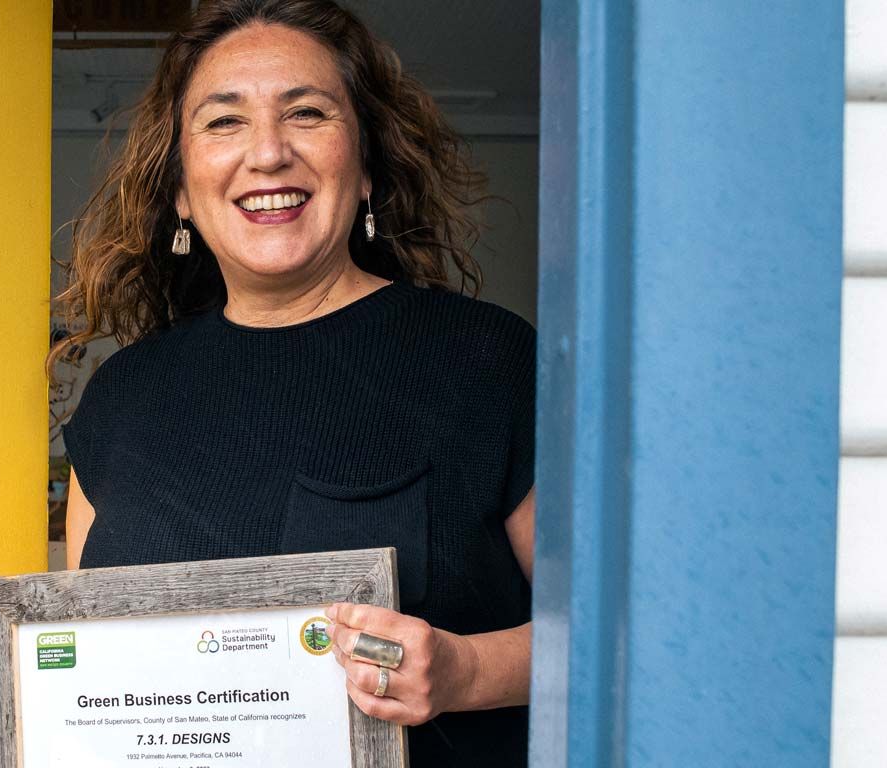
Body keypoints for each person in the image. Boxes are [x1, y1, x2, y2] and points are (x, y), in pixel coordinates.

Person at [51, 0, 536, 764]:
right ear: (180, 189)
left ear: (367, 165)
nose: (268, 153)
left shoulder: (488, 361)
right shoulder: (121, 398)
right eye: (224, 121)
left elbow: (614, 637)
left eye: (306, 113)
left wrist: (466, 672)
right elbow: (86, 663)